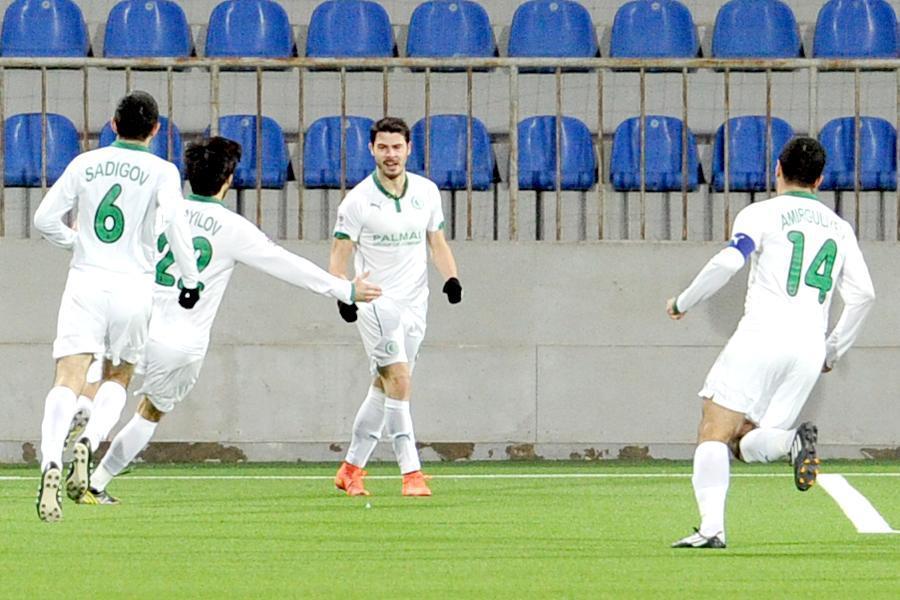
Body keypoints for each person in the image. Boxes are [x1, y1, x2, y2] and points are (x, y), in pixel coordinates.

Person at [78, 136, 381, 504]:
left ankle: (89, 438)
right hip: (182, 343)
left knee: (112, 383)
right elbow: (288, 265)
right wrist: (345, 289)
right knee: (150, 412)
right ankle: (96, 483)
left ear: (188, 175)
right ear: (229, 179)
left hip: (135, 323)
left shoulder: (157, 211)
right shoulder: (232, 228)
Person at [666, 137, 875, 548]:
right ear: (820, 179)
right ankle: (790, 441)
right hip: (809, 348)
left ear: (777, 168)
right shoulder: (840, 228)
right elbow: (864, 294)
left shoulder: (760, 213)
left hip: (762, 335)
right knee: (746, 440)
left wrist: (682, 302)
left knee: (714, 430)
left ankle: (712, 529)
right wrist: (832, 351)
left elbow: (730, 260)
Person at [33, 91, 202, 522]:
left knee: (69, 376)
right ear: (155, 129)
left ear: (112, 124)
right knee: (118, 376)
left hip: (86, 280)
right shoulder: (162, 170)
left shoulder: (85, 163)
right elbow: (176, 224)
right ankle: (89, 440)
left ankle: (50, 461)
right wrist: (190, 279)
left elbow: (43, 219)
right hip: (133, 287)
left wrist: (77, 243)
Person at [329, 116, 462, 497]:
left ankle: (350, 469)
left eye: (397, 147)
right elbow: (339, 253)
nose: (391, 154)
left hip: (415, 303)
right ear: (372, 149)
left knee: (384, 386)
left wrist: (451, 278)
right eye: (383, 147)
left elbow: (436, 241)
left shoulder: (426, 191)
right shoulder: (357, 201)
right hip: (375, 302)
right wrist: (343, 293)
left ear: (408, 149)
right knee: (400, 381)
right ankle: (411, 473)